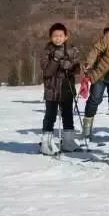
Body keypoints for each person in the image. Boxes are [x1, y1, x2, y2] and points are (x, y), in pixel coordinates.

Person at [39, 23, 81, 155]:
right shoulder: (47, 51)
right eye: (55, 36)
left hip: (66, 87)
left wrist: (72, 65)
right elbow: (47, 72)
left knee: (68, 115)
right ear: (50, 37)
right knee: (50, 115)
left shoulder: (70, 50)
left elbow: (77, 70)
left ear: (66, 37)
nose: (58, 38)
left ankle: (68, 141)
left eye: (61, 36)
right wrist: (56, 59)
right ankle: (46, 143)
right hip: (52, 89)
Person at [81, 27, 109, 140]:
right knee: (95, 99)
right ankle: (86, 129)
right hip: (100, 75)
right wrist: (89, 63)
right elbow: (96, 50)